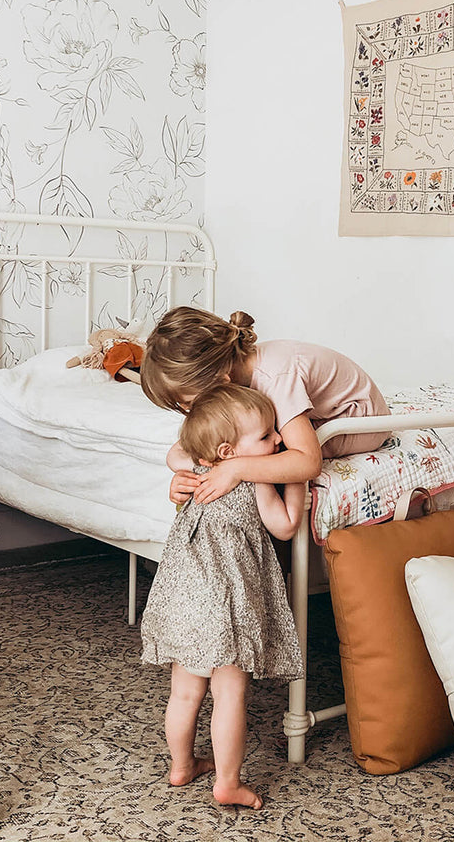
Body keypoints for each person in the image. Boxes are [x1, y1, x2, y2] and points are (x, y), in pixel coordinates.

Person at [140, 383, 305, 809]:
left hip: (182, 599)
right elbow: (285, 526)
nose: (280, 440)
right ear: (231, 452)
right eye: (267, 436)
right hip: (227, 606)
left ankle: (181, 765)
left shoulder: (195, 474)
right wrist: (299, 482)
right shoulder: (253, 478)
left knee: (185, 693)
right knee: (229, 695)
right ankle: (228, 783)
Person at [140, 307, 391, 505]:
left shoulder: (276, 378)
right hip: (326, 415)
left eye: (188, 404)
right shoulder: (235, 371)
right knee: (239, 448)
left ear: (219, 381)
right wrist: (194, 477)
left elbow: (308, 462)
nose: (191, 413)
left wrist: (233, 468)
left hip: (360, 421)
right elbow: (180, 453)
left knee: (254, 457)